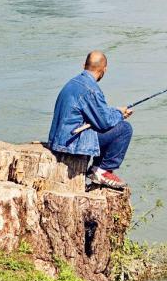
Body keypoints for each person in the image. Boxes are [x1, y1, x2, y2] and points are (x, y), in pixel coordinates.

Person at [48, 51, 133, 189]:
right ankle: (102, 170)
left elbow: (98, 113)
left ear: (84, 65)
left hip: (60, 139)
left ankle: (97, 169)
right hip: (71, 143)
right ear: (104, 70)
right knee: (124, 129)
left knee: (113, 123)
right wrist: (119, 115)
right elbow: (104, 122)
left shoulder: (74, 82)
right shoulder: (91, 89)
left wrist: (116, 111)